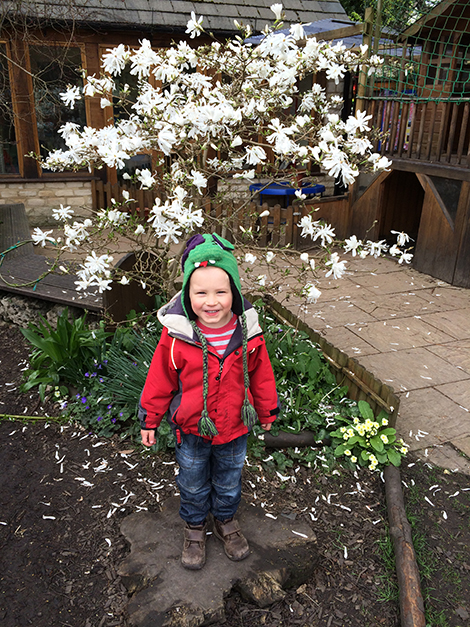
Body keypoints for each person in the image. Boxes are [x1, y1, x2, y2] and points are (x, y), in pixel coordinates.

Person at [139, 233, 279, 570]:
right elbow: (159, 380)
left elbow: (260, 374)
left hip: (234, 428)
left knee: (229, 480)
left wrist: (266, 409)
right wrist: (150, 418)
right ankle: (194, 526)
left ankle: (226, 521)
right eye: (201, 292)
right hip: (192, 429)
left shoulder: (248, 333)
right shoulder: (177, 336)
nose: (211, 301)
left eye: (221, 292)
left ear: (235, 293)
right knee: (191, 480)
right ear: (188, 295)